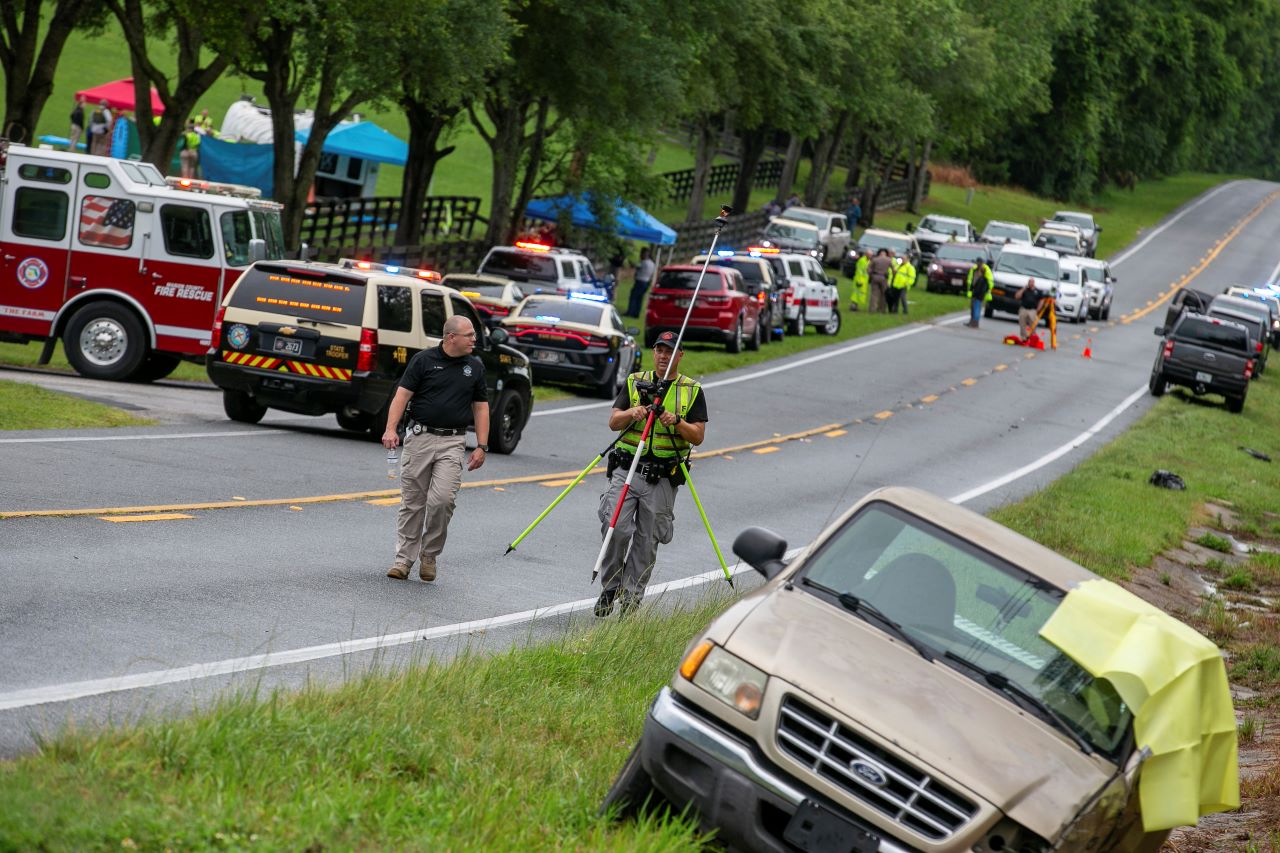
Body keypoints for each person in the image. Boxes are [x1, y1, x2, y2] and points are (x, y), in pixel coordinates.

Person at [596, 331, 707, 617]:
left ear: (680, 355)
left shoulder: (691, 390)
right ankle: (610, 586)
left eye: (669, 351)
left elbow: (697, 436)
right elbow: (613, 421)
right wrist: (633, 412)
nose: (662, 356)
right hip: (626, 468)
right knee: (616, 527)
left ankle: (631, 599)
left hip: (662, 477)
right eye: (659, 350)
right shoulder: (635, 381)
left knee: (646, 542)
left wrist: (677, 421)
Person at [382, 315, 490, 582]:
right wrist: (390, 428)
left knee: (443, 500)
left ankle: (429, 555)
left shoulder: (474, 367)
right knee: (413, 502)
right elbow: (402, 395)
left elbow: (481, 407)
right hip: (420, 438)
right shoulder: (424, 360)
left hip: (452, 442)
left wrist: (482, 446)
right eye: (469, 335)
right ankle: (403, 559)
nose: (474, 340)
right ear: (451, 337)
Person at [626, 247, 656, 318]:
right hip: (646, 282)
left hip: (640, 281)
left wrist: (630, 262)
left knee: (634, 297)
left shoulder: (644, 262)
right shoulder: (652, 263)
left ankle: (630, 312)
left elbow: (636, 266)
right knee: (640, 299)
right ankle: (636, 313)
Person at [965, 257, 994, 328]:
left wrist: (985, 292)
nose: (978, 264)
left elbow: (988, 284)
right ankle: (972, 321)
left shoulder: (984, 276)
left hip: (980, 293)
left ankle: (975, 322)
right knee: (973, 307)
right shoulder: (974, 269)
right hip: (974, 292)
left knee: (977, 307)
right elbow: (971, 280)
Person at [867, 249, 894, 313]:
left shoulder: (875, 259)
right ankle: (882, 309)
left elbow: (868, 268)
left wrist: (871, 275)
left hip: (875, 277)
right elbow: (894, 269)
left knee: (874, 294)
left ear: (879, 253)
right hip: (884, 278)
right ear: (885, 254)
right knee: (883, 294)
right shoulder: (888, 260)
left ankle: (872, 309)